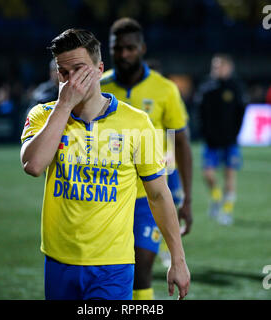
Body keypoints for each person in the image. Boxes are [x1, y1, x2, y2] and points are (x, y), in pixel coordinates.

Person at [20, 28, 190, 300]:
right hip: (58, 260)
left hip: (113, 265)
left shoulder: (136, 122)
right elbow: (33, 165)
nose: (71, 80)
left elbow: (159, 194)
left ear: (99, 69)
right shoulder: (44, 115)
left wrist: (178, 260)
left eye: (79, 69)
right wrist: (64, 106)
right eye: (64, 73)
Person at [101, 18, 193, 300]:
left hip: (147, 195)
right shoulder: (99, 86)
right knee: (108, 273)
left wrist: (187, 199)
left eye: (130, 48)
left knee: (141, 270)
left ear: (142, 48)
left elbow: (180, 143)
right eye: (118, 48)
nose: (124, 54)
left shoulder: (165, 89)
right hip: (106, 195)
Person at [195, 54, 247, 225]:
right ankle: (217, 197)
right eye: (214, 66)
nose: (216, 70)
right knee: (208, 174)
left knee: (230, 176)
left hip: (230, 141)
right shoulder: (206, 88)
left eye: (219, 66)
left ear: (228, 68)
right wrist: (205, 132)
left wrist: (235, 133)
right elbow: (200, 112)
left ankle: (227, 211)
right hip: (211, 142)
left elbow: (241, 112)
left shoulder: (235, 87)